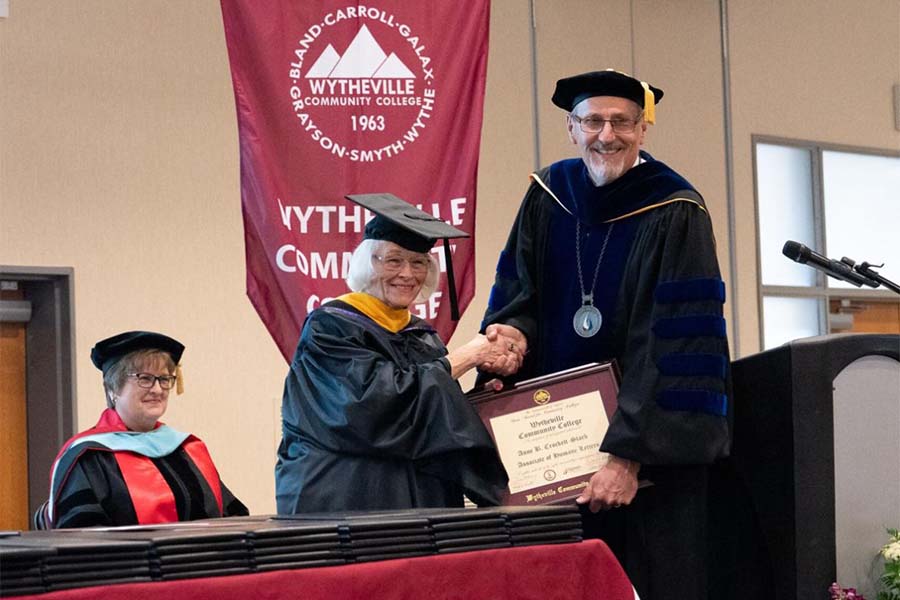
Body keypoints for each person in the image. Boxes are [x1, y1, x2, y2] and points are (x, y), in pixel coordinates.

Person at [479, 70, 731, 600]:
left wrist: (626, 456)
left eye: (622, 122)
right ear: (572, 128)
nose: (607, 135)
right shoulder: (549, 194)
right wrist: (512, 337)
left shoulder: (676, 208)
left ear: (644, 130)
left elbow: (678, 343)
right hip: (552, 460)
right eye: (593, 120)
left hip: (645, 472)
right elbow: (517, 289)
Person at [276, 193, 514, 514]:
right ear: (366, 263)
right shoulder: (329, 327)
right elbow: (369, 406)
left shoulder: (423, 337)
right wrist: (465, 357)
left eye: (418, 262)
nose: (407, 274)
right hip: (347, 500)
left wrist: (482, 399)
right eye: (393, 260)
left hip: (419, 502)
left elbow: (427, 409)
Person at [38, 331, 248, 528]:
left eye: (164, 379)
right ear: (113, 389)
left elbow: (230, 517)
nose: (157, 389)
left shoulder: (189, 450)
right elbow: (82, 540)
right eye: (144, 378)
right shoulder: (89, 458)